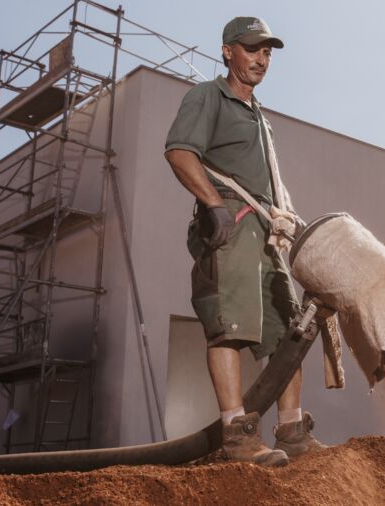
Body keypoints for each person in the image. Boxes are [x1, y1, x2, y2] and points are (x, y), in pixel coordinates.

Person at [164, 16, 325, 467]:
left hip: (268, 231)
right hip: (232, 224)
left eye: (267, 52)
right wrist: (214, 205)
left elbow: (269, 181)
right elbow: (179, 151)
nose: (261, 59)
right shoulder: (207, 96)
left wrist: (289, 219)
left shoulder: (260, 119)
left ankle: (291, 431)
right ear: (227, 51)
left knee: (289, 332)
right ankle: (236, 434)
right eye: (252, 49)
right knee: (229, 325)